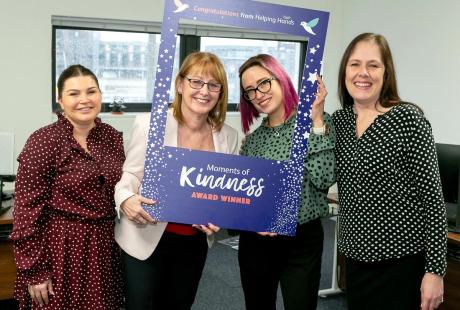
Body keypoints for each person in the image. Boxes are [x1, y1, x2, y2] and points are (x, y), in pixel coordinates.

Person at [114, 51, 239, 310]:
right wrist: (126, 199)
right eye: (196, 81)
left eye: (213, 85)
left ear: (220, 92)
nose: (204, 91)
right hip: (144, 236)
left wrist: (220, 216)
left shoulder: (228, 135)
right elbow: (130, 175)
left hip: (193, 243)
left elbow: (223, 194)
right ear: (180, 85)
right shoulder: (151, 124)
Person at [332, 33, 447, 310]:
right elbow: (323, 175)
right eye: (355, 64)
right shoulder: (340, 121)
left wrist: (435, 271)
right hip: (355, 260)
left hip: (401, 261)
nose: (363, 73)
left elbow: (433, 200)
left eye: (373, 65)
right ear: (344, 71)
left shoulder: (407, 118)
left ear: (386, 72)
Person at [10, 64, 125, 309]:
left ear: (100, 95)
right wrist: (35, 271)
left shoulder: (112, 137)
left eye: (91, 91)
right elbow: (25, 212)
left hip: (103, 248)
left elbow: (125, 188)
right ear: (60, 100)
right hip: (59, 250)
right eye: (74, 94)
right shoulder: (44, 141)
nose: (84, 100)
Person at [237, 54, 336, 310]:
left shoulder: (317, 124)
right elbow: (246, 199)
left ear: (280, 78)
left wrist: (315, 120)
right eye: (250, 90)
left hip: (301, 242)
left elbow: (324, 177)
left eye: (263, 83)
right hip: (257, 244)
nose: (258, 94)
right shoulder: (253, 141)